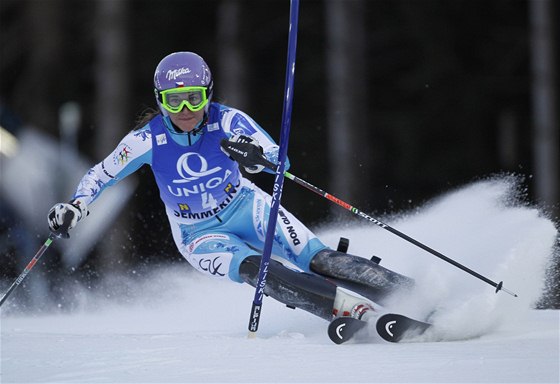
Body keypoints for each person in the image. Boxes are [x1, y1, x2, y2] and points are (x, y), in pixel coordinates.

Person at [48, 52, 413, 322]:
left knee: (318, 259)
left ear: (208, 94)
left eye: (195, 96)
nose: (186, 108)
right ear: (160, 101)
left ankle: (412, 293)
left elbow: (278, 159)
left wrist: (255, 157)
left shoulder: (228, 120)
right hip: (197, 233)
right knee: (257, 268)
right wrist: (75, 206)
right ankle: (348, 310)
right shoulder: (146, 140)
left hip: (245, 206)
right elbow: (101, 174)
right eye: (174, 100)